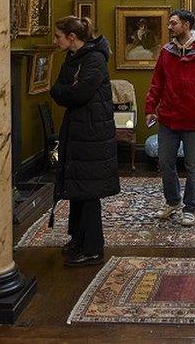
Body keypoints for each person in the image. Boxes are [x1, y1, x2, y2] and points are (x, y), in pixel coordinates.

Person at [50, 16, 119, 266]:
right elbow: (56, 90)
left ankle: (93, 248)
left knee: (89, 191)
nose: (55, 41)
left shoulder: (94, 58)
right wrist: (67, 91)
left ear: (72, 37)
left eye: (58, 36)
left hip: (92, 134)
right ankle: (78, 239)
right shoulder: (74, 57)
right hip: (79, 130)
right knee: (78, 187)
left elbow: (79, 93)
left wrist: (68, 92)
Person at [145, 10, 195, 227]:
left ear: (186, 26)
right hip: (168, 120)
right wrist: (150, 108)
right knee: (165, 163)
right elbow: (157, 83)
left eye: (173, 23)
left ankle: (191, 208)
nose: (169, 27)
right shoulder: (165, 53)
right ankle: (173, 201)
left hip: (194, 123)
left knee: (193, 166)